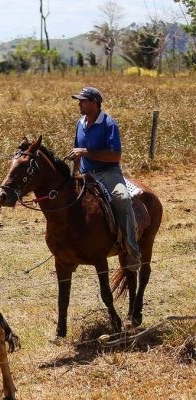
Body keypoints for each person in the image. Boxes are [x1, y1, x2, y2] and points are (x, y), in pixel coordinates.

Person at [67, 86, 141, 272]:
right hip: (86, 175)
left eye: (83, 100)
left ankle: (132, 251)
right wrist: (73, 173)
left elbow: (115, 156)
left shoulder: (109, 124)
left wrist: (86, 152)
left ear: (94, 103)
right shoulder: (80, 123)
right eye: (79, 100)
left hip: (108, 173)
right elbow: (77, 152)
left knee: (122, 199)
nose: (79, 103)